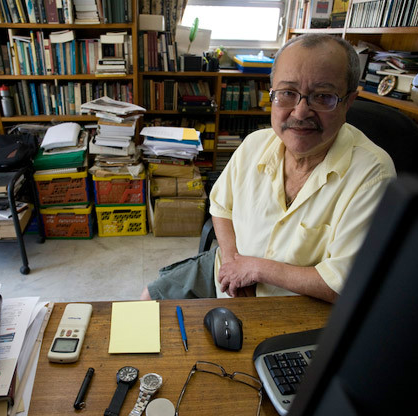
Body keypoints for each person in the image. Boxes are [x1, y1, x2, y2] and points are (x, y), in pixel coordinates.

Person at [141, 34, 396, 303]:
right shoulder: (255, 144)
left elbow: (344, 284)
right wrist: (232, 262)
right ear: (272, 94)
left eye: (323, 96)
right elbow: (221, 207)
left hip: (294, 302)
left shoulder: (373, 176)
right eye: (287, 93)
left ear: (348, 102)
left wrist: (257, 270)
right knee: (148, 303)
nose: (300, 112)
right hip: (228, 268)